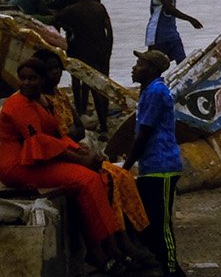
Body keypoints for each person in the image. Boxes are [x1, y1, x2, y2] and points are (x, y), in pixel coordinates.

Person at [0, 51, 153, 272]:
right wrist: (81, 160)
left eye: (32, 78)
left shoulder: (40, 101)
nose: (26, 83)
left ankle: (108, 246)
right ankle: (100, 251)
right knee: (86, 179)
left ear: (42, 81)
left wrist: (83, 154)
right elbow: (40, 142)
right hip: (16, 167)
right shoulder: (19, 105)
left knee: (98, 177)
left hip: (33, 161)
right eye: (23, 78)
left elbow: (57, 137)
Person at [126, 48, 187, 277]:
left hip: (161, 166)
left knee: (161, 224)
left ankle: (172, 269)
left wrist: (127, 164)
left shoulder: (155, 92)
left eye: (139, 64)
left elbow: (144, 133)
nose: (134, 68)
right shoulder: (149, 91)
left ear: (151, 69)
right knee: (148, 221)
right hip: (153, 166)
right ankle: (159, 265)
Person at [51, 0, 114, 134]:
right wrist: (108, 49)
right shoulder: (100, 8)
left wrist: (61, 40)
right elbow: (109, 30)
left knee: (88, 83)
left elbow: (55, 21)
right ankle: (104, 125)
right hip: (102, 50)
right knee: (103, 85)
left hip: (83, 51)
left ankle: (84, 113)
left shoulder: (71, 10)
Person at [147, 0, 203, 64]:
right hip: (158, 34)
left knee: (182, 62)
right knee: (153, 65)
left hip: (171, 33)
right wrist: (190, 19)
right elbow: (170, 9)